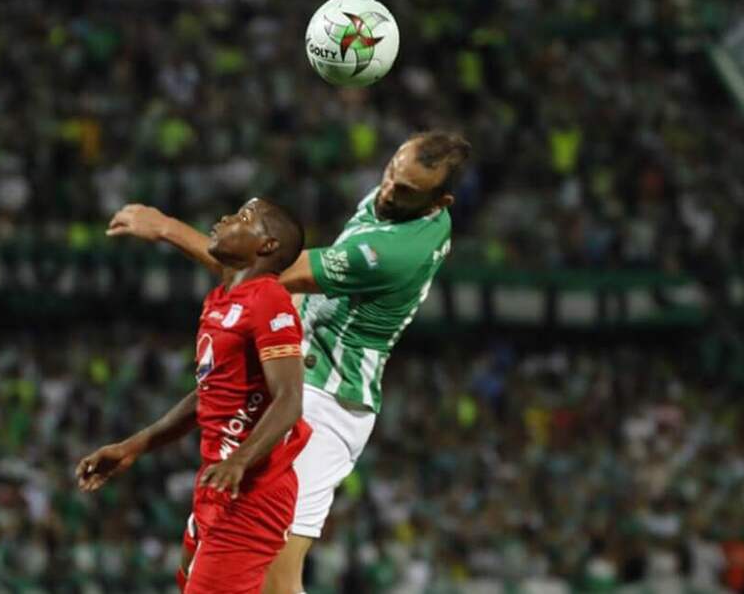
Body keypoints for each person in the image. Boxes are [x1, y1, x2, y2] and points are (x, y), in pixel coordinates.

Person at [106, 130, 471, 593]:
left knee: (274, 575)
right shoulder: (397, 204)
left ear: (440, 202)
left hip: (325, 400)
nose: (388, 192)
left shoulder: (393, 252)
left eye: (405, 190)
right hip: (296, 372)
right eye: (390, 174)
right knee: (203, 547)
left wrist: (166, 228)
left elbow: (260, 276)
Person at [77, 198, 312, 593]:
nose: (226, 218)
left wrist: (240, 460)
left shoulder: (269, 299)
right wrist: (133, 447)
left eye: (244, 217)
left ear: (267, 245)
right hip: (218, 482)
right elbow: (210, 395)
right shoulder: (221, 300)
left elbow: (289, 397)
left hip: (253, 492)